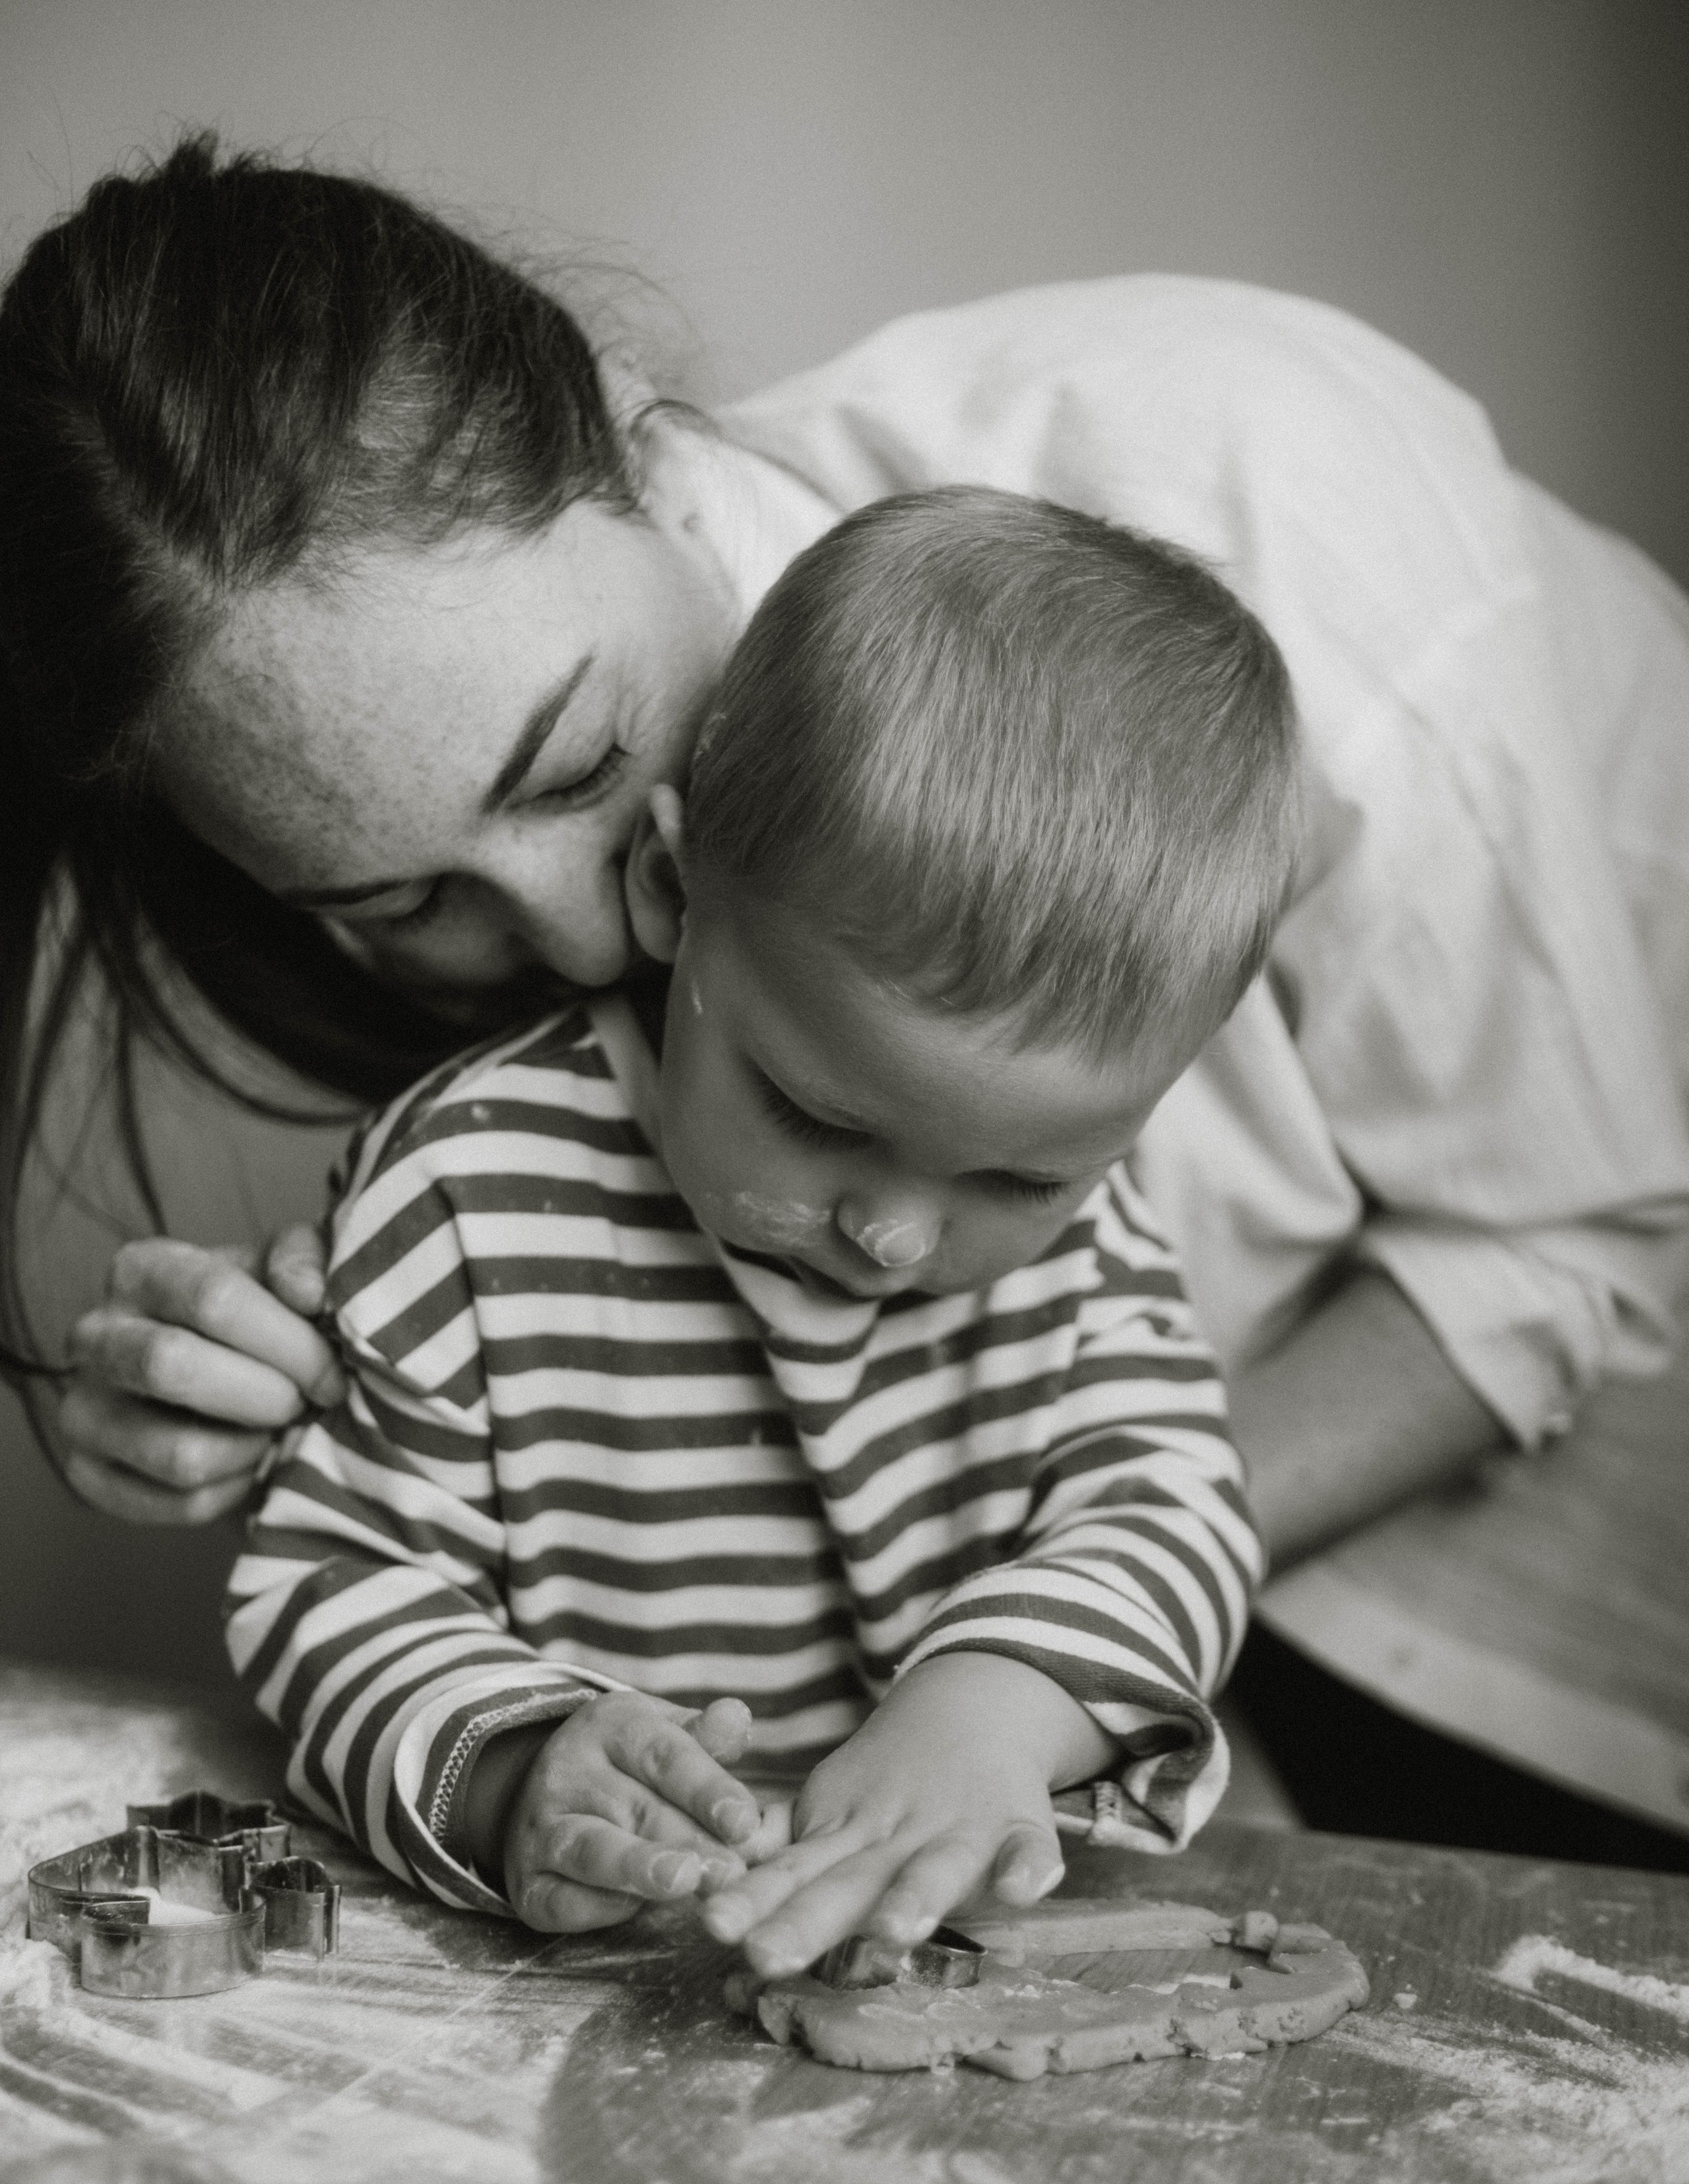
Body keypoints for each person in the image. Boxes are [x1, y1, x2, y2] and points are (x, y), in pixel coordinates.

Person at [5, 140, 1688, 1867]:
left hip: (1567, 1541)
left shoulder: (1262, 484)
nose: (589, 945)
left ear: (632, 434)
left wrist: (1027, 1652)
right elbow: (459, 1452)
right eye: (398, 902)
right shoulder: (509, 1044)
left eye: (580, 764)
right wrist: (283, 1387)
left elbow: (1553, 1251)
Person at [226, 487, 1289, 1969]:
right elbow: (330, 1582)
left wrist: (989, 1712)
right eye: (821, 1118)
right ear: (673, 894)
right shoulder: (463, 1192)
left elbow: (1170, 1510)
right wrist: (515, 1774)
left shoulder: (1086, 1238)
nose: (897, 1239)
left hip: (952, 1950)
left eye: (1017, 1183)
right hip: (571, 1970)